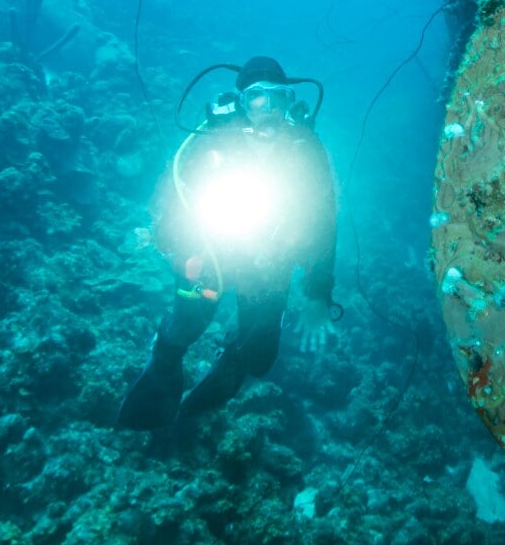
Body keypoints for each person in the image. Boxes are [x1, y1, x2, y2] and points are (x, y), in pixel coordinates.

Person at [117, 56, 339, 429]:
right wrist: (169, 239)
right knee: (186, 325)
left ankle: (228, 365)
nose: (266, 109)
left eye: (277, 98)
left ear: (288, 102)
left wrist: (318, 294)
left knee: (260, 354)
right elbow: (173, 186)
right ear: (240, 102)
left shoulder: (305, 148)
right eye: (255, 98)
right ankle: (164, 360)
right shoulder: (214, 136)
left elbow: (324, 223)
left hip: (269, 258)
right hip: (211, 248)